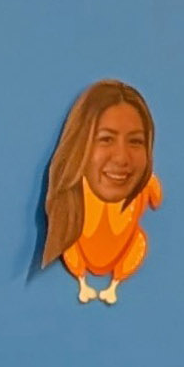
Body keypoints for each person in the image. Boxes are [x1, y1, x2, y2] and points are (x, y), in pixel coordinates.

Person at [41, 80, 158, 305]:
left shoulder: (145, 191)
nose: (122, 158)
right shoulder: (72, 214)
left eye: (135, 141)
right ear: (79, 146)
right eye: (105, 139)